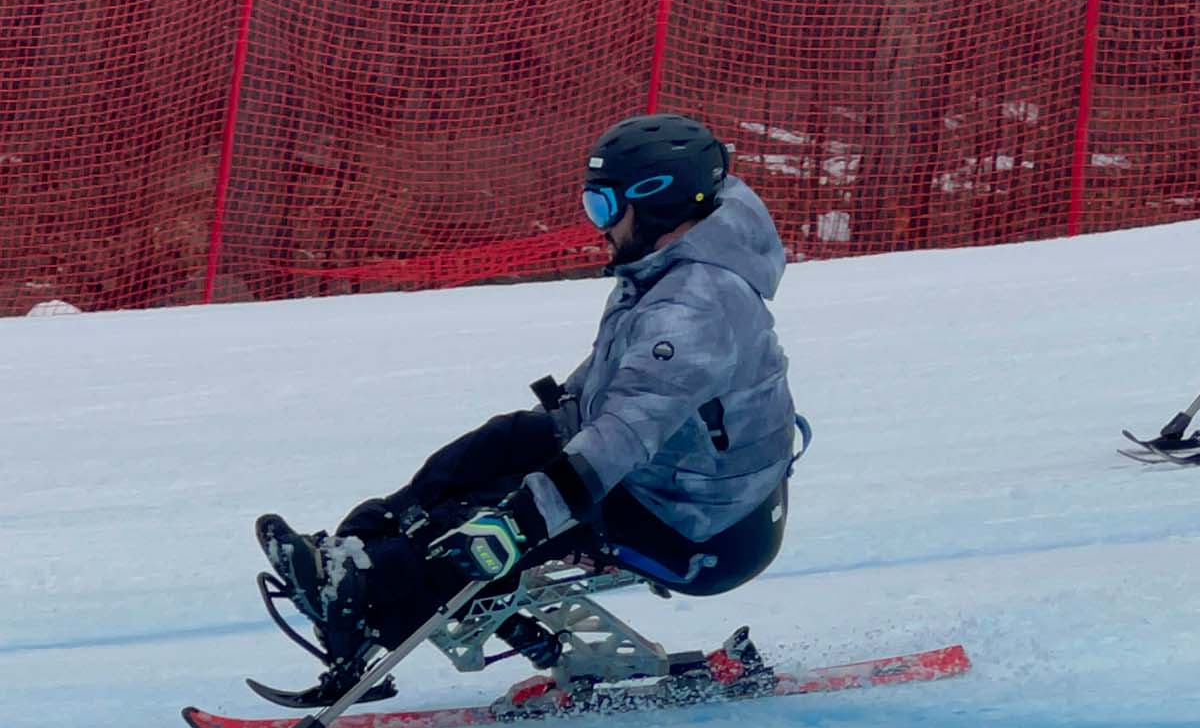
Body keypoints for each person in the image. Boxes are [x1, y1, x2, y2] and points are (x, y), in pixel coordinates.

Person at [255, 112, 799, 693]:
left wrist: (519, 522)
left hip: (699, 528)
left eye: (604, 209)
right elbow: (619, 380)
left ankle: (371, 598)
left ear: (658, 203)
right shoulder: (673, 266)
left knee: (481, 524)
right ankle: (352, 556)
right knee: (501, 443)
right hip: (680, 480)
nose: (599, 228)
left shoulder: (695, 306)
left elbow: (623, 435)